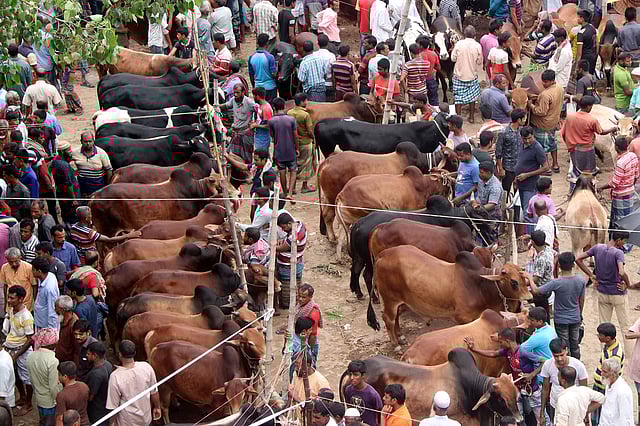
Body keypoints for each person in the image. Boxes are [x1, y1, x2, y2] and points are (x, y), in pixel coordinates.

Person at [106, 340, 161, 425]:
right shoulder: (146, 367)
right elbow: (154, 392)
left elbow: (113, 406)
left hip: (127, 422)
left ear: (120, 354)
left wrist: (112, 423)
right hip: (145, 420)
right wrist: (157, 407)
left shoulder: (115, 377)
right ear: (134, 353)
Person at [535, 338, 589, 422]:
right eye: (556, 356)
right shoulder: (547, 365)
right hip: (555, 406)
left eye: (561, 355)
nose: (559, 359)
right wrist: (542, 412)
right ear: (552, 353)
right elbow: (545, 389)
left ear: (566, 350)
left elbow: (584, 390)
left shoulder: (578, 365)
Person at [562, 95, 616, 178]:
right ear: (588, 106)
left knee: (576, 170)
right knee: (588, 172)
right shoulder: (592, 120)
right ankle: (588, 188)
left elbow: (563, 133)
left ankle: (573, 188)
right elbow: (601, 132)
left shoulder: (570, 117)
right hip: (587, 149)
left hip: (573, 148)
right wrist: (612, 129)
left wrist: (569, 144)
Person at [598, 137, 639, 231]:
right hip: (630, 192)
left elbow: (615, 183)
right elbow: (636, 175)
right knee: (628, 216)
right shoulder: (633, 156)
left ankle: (622, 243)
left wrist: (601, 187)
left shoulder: (620, 163)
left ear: (616, 147)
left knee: (621, 221)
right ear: (627, 146)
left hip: (620, 195)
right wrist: (629, 185)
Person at [528, 69, 563, 173]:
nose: (543, 84)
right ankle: (555, 164)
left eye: (545, 82)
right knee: (552, 144)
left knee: (542, 146)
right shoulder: (560, 88)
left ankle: (546, 167)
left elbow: (541, 112)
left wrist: (531, 105)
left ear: (550, 81)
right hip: (553, 121)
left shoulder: (545, 94)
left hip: (542, 124)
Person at [515, 125, 548, 235]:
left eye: (530, 138)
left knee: (529, 214)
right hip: (521, 184)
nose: (528, 141)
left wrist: (527, 175)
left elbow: (546, 167)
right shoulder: (521, 145)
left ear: (533, 136)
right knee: (524, 212)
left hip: (530, 185)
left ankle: (531, 238)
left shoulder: (537, 148)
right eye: (525, 139)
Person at [591, 322, 626, 426]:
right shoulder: (608, 345)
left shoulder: (615, 355)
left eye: (600, 335)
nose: (598, 337)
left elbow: (612, 376)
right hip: (599, 385)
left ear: (608, 338)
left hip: (604, 387)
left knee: (602, 416)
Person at [25, 328, 60, 424]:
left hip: (39, 398)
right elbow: (53, 387)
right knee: (49, 422)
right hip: (50, 401)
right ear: (52, 343)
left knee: (42, 421)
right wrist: (58, 399)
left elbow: (31, 380)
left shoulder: (30, 357)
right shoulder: (52, 361)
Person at [451, 26, 483, 123]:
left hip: (459, 75)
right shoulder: (477, 46)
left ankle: (458, 117)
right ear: (474, 35)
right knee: (472, 97)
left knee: (458, 97)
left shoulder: (459, 44)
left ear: (464, 34)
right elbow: (479, 61)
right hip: (471, 75)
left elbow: (453, 58)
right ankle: (471, 117)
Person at [220, 83, 257, 165]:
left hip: (246, 133)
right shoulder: (233, 100)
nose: (235, 95)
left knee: (247, 157)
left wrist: (255, 123)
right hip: (235, 133)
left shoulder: (249, 102)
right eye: (234, 93)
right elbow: (226, 106)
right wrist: (215, 107)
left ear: (243, 92)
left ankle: (248, 173)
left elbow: (259, 111)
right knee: (232, 155)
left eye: (238, 93)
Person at [269, 98, 298, 197]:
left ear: (274, 107)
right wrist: (297, 148)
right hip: (290, 149)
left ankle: (285, 193)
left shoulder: (272, 121)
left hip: (279, 150)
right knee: (293, 170)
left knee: (282, 171)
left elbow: (272, 136)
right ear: (284, 106)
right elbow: (295, 136)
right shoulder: (291, 119)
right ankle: (290, 193)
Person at [287, 93, 316, 193]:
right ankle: (304, 186)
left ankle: (293, 187)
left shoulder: (289, 113)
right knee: (307, 164)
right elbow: (309, 130)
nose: (306, 102)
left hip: (293, 143)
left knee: (294, 165)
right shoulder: (305, 115)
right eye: (305, 101)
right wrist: (313, 138)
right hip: (305, 142)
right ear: (302, 102)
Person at [70, 131, 112, 196]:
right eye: (85, 142)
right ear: (81, 141)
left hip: (98, 186)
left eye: (90, 141)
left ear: (93, 141)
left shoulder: (101, 153)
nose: (88, 143)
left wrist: (108, 187)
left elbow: (108, 170)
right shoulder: (75, 153)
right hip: (82, 187)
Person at [496, 108, 526, 197]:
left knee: (519, 193)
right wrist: (501, 169)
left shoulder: (522, 131)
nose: (525, 120)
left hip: (520, 167)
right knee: (505, 191)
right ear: (518, 120)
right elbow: (498, 152)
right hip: (508, 168)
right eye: (524, 118)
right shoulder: (503, 133)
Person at [344, 360, 383, 426]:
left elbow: (379, 413)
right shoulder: (348, 390)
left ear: (363, 375)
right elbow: (349, 407)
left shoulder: (372, 394)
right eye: (350, 374)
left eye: (356, 375)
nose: (352, 378)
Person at [472, 161, 502, 245]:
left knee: (490, 239)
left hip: (492, 217)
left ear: (488, 173)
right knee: (480, 235)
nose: (479, 174)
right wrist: (475, 202)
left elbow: (492, 204)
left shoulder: (495, 187)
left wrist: (477, 208)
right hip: (481, 214)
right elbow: (479, 196)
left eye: (481, 172)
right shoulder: (481, 181)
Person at [600, 357, 634, 426]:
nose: (601, 374)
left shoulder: (622, 392)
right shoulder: (609, 383)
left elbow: (625, 419)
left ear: (614, 373)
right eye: (602, 370)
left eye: (605, 372)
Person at [276, 213, 306, 286]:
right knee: (297, 287)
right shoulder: (300, 224)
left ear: (289, 223)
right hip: (298, 262)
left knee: (286, 293)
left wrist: (272, 246)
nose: (283, 230)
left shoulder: (294, 237)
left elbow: (281, 248)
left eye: (283, 227)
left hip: (288, 267)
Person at [55, 361, 90, 426]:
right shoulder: (84, 386)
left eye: (59, 374)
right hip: (85, 422)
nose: (58, 377)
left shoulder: (62, 395)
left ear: (65, 377)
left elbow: (60, 419)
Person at [85, 342, 112, 424]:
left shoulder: (96, 374)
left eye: (88, 354)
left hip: (97, 410)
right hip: (105, 406)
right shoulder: (108, 364)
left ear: (95, 356)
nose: (86, 355)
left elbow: (91, 397)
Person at [31, 256, 59, 331]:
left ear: (39, 271)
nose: (32, 271)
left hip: (45, 326)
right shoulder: (47, 276)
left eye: (33, 269)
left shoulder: (49, 288)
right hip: (39, 321)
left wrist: (51, 330)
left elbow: (52, 309)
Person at [55, 295, 78, 363]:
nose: (55, 310)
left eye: (57, 308)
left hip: (68, 362)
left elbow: (77, 349)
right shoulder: (63, 320)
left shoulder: (73, 325)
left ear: (63, 310)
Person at [575, 9, 598, 74]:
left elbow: (579, 53)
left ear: (582, 18)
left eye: (578, 17)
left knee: (582, 78)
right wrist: (596, 55)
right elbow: (597, 43)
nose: (577, 19)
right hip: (593, 57)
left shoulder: (581, 33)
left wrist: (576, 67)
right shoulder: (593, 28)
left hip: (585, 59)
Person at [252, 87, 273, 152]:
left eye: (254, 96)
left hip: (263, 138)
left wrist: (255, 126)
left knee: (261, 154)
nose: (253, 97)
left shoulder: (266, 109)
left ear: (257, 96)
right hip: (259, 135)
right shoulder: (260, 106)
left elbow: (268, 126)